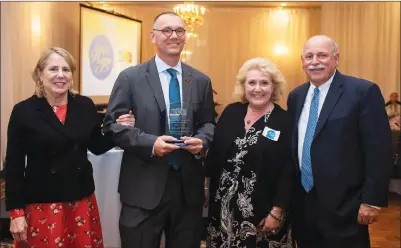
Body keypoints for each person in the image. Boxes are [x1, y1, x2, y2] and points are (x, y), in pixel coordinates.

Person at [103, 12, 215, 248]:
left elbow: (208, 123)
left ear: (185, 37)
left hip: (187, 189)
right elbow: (111, 126)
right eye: (166, 31)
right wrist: (150, 143)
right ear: (153, 36)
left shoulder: (201, 81)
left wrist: (203, 140)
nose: (174, 36)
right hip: (143, 186)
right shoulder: (130, 78)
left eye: (179, 31)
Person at [5, 47, 134, 248]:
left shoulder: (84, 105)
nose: (60, 75)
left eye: (66, 69)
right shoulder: (23, 111)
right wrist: (16, 213)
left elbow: (97, 146)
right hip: (43, 202)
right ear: (40, 74)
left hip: (80, 200)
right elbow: (14, 166)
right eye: (53, 69)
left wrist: (119, 129)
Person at [287, 35, 393, 248]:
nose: (315, 61)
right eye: (309, 56)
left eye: (322, 55)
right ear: (302, 61)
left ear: (336, 59)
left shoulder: (362, 92)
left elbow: (379, 150)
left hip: (347, 206)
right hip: (304, 204)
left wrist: (372, 200)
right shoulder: (295, 96)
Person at [205, 58, 295, 248]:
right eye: (252, 82)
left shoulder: (284, 121)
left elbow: (289, 170)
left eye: (264, 83)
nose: (257, 89)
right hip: (222, 210)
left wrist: (277, 211)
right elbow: (214, 155)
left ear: (273, 87)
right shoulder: (231, 112)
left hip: (263, 214)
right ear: (243, 86)